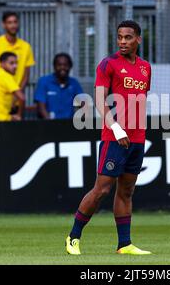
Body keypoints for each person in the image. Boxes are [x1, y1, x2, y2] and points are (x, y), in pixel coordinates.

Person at [65, 20, 152, 255]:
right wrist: (116, 128)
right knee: (102, 189)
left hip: (137, 137)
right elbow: (100, 102)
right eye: (120, 37)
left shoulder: (145, 68)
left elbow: (139, 100)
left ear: (138, 40)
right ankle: (73, 236)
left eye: (128, 37)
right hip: (115, 136)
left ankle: (124, 244)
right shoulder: (108, 64)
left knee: (126, 191)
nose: (123, 41)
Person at [0, 12, 35, 91]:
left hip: (18, 95)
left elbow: (26, 76)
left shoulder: (26, 46)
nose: (13, 25)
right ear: (4, 25)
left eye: (15, 22)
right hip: (1, 94)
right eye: (9, 22)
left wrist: (18, 93)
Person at [34, 53, 84, 120]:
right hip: (48, 124)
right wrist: (50, 123)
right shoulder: (44, 82)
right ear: (54, 66)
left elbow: (83, 104)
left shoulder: (74, 83)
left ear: (70, 67)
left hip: (69, 125)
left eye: (65, 65)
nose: (62, 67)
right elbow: (41, 107)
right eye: (59, 65)